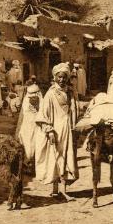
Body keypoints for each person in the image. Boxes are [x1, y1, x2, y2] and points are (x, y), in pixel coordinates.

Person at [35, 63, 79, 200]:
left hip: (68, 129)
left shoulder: (70, 92)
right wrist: (49, 130)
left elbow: (75, 110)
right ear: (55, 77)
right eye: (59, 77)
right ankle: (55, 189)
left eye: (64, 77)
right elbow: (43, 114)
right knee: (54, 158)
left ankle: (64, 190)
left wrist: (74, 125)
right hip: (55, 130)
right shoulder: (50, 94)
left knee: (66, 157)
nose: (61, 80)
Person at [15, 84, 44, 169]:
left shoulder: (42, 101)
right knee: (26, 144)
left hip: (37, 125)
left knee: (36, 144)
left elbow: (43, 114)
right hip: (26, 125)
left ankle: (34, 166)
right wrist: (18, 128)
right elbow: (22, 115)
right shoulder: (26, 100)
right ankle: (26, 164)